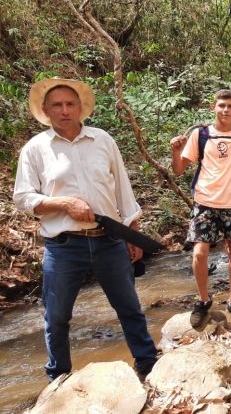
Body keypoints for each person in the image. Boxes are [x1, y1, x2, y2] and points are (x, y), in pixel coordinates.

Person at [13, 78, 158, 381]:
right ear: (45, 110)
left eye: (70, 104)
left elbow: (122, 188)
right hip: (64, 245)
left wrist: (132, 230)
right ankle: (59, 377)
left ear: (80, 108)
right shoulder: (36, 149)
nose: (64, 110)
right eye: (57, 105)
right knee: (57, 317)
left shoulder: (102, 140)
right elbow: (23, 199)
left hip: (109, 240)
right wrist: (63, 203)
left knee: (129, 307)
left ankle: (148, 364)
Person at [170, 89, 231, 327]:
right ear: (213, 107)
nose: (225, 110)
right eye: (221, 105)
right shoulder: (201, 135)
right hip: (205, 201)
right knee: (200, 253)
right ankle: (203, 300)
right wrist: (174, 151)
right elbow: (179, 169)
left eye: (230, 106)